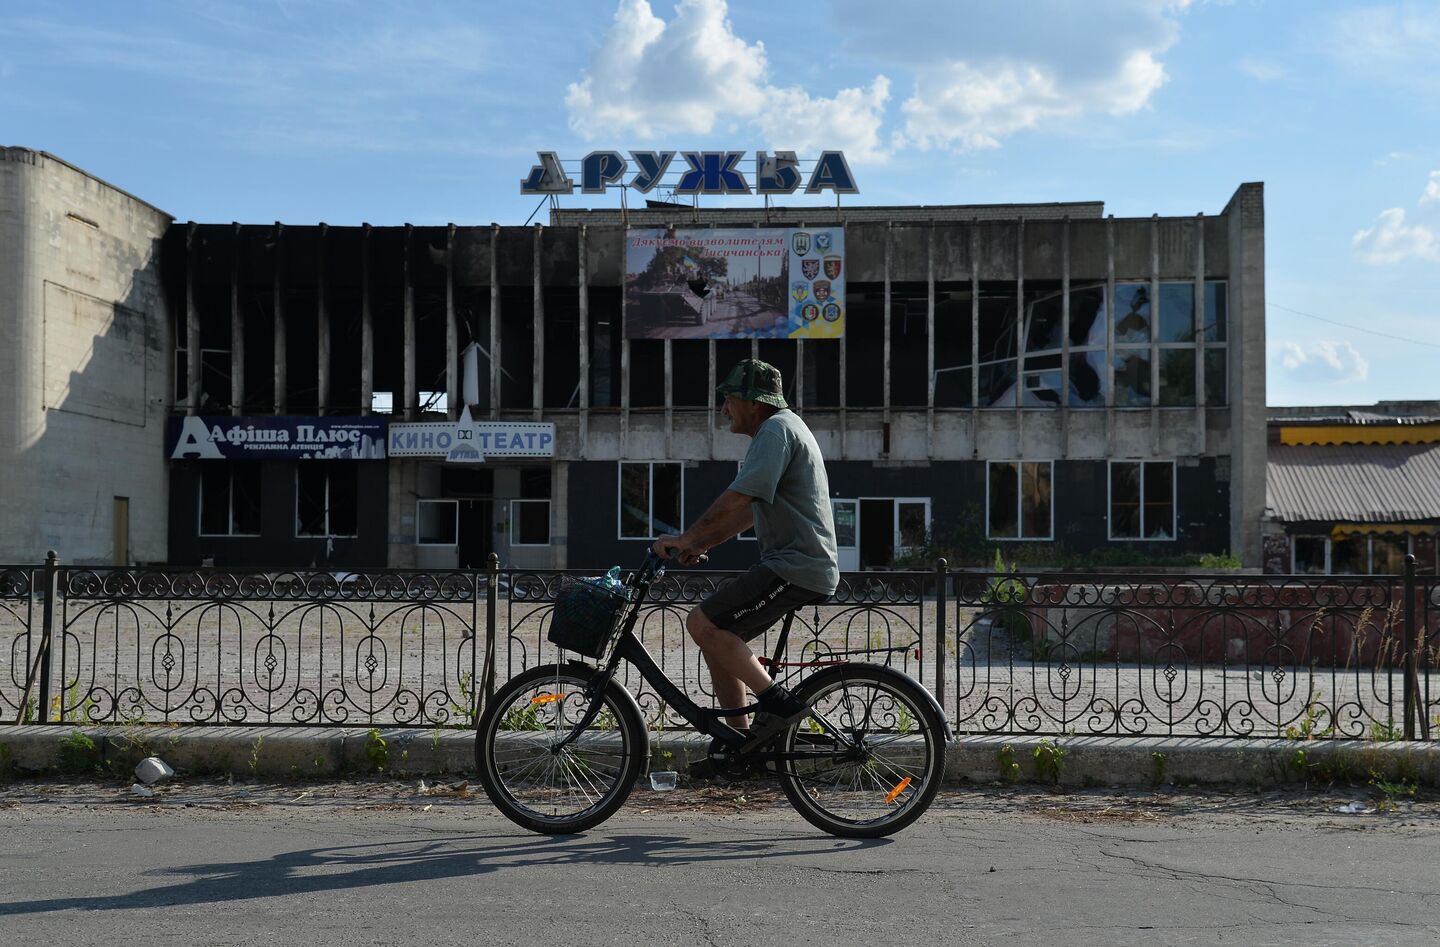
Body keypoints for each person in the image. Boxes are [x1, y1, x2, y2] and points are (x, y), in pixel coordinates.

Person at [653, 358, 840, 751]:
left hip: (795, 565)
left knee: (701, 623)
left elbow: (738, 498)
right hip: (796, 563)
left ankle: (780, 705)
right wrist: (701, 543)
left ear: (755, 403)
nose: (723, 409)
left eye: (729, 399)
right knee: (719, 639)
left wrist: (687, 538)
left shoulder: (775, 431)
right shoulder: (781, 429)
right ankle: (740, 744)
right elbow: (747, 511)